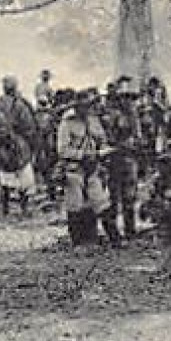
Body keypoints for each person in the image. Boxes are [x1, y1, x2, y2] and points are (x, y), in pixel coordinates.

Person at [54, 90, 110, 245]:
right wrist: (82, 155)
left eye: (89, 106)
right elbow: (62, 150)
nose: (86, 110)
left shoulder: (94, 121)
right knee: (75, 204)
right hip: (74, 167)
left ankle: (111, 238)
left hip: (93, 167)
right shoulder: (66, 123)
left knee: (100, 202)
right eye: (83, 106)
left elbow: (102, 139)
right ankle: (77, 241)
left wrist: (102, 151)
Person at [0, 75, 39, 214]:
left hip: (2, 144)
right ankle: (24, 208)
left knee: (4, 176)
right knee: (23, 175)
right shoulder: (21, 104)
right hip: (19, 143)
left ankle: (6, 209)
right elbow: (29, 125)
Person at [101, 78, 143, 240]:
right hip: (115, 158)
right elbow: (108, 138)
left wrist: (135, 143)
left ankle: (130, 229)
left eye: (130, 98)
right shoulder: (111, 115)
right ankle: (113, 232)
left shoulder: (134, 116)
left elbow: (138, 138)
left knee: (130, 195)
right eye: (124, 97)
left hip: (129, 158)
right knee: (114, 196)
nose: (128, 101)